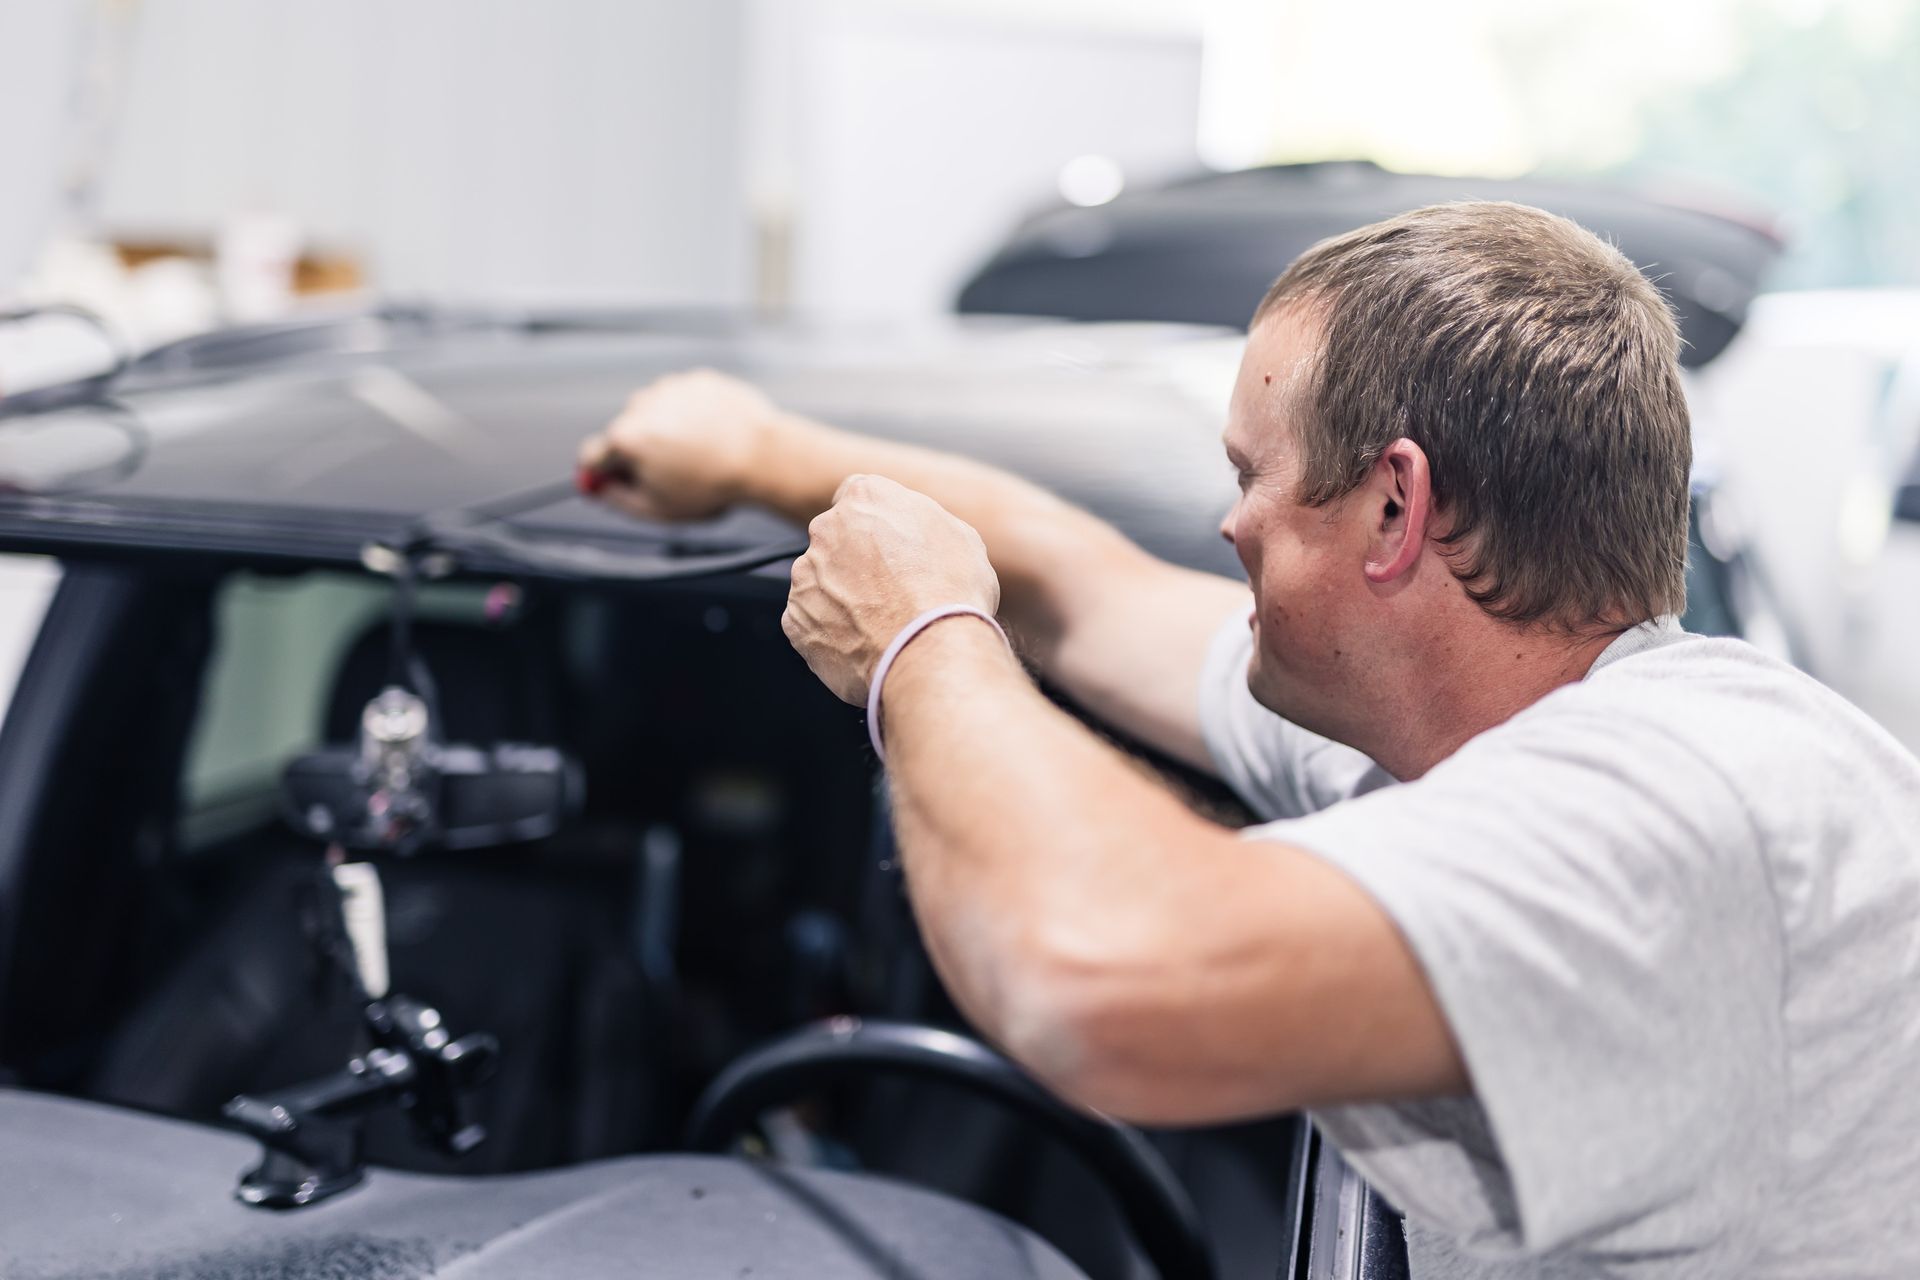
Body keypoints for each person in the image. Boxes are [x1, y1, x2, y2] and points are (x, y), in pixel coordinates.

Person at [577, 202, 1920, 1278]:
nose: (1231, 527)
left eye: (1249, 475)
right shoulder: (1428, 746)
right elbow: (1081, 584)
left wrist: (921, 644)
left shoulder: (1684, 808)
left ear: (1397, 510)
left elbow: (1096, 978)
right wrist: (755, 450)